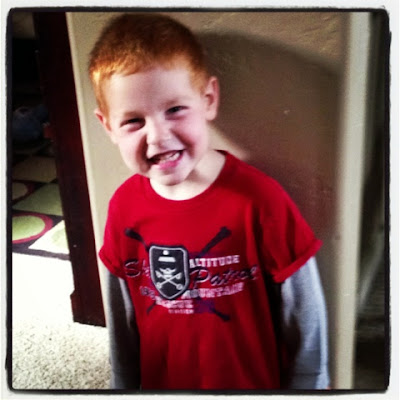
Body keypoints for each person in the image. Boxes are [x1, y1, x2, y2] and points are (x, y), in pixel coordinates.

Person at [89, 13, 330, 390]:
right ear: (108, 127)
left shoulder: (260, 200)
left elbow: (303, 307)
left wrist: (311, 383)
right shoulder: (123, 208)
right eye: (133, 121)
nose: (158, 137)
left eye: (174, 110)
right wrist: (123, 382)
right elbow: (122, 313)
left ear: (208, 100)